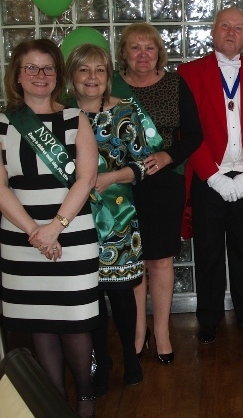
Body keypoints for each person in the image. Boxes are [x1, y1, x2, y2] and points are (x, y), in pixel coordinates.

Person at [0, 38, 99, 418]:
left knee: (74, 322)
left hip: (70, 234)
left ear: (57, 76)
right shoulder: (4, 124)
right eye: (31, 68)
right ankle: (54, 403)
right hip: (21, 237)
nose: (40, 75)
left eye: (47, 68)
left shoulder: (76, 119)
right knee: (39, 322)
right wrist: (34, 232)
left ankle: (86, 396)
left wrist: (54, 228)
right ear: (18, 76)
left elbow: (86, 179)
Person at [177, 7, 243, 344]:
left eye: (239, 28)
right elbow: (187, 132)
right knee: (207, 252)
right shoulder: (188, 73)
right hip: (209, 181)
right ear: (213, 31)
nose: (231, 33)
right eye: (225, 26)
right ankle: (209, 317)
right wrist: (213, 176)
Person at [115, 23, 202, 364]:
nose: (142, 54)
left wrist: (168, 155)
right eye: (135, 48)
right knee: (134, 259)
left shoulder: (174, 84)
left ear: (158, 53)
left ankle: (162, 330)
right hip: (123, 185)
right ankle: (139, 331)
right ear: (124, 53)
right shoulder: (113, 85)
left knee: (161, 259)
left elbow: (194, 135)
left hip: (165, 182)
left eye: (149, 48)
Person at [67, 44, 150, 396]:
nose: (92, 78)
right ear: (72, 77)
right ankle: (102, 360)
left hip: (117, 221)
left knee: (120, 293)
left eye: (100, 70)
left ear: (109, 75)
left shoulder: (127, 111)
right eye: (84, 70)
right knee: (90, 297)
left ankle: (132, 358)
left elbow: (146, 163)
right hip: (74, 220)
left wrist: (110, 178)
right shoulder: (60, 117)